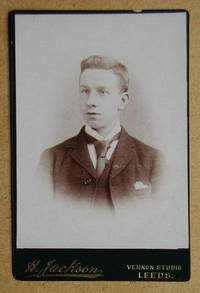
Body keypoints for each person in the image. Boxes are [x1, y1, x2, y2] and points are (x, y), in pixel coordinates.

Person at [38, 55, 163, 211]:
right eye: (84, 91)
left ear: (122, 101)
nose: (90, 101)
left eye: (102, 92)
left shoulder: (153, 161)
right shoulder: (51, 160)